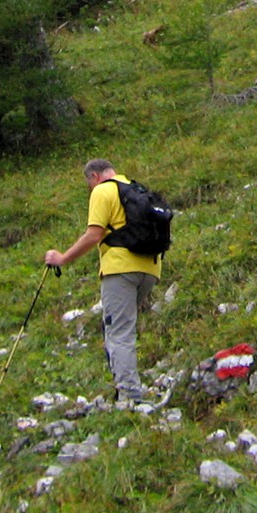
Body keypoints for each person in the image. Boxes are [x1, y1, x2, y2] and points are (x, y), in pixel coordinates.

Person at [43, 159, 162, 404]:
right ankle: (126, 387)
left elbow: (93, 235)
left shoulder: (103, 190)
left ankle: (129, 396)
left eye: (89, 184)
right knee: (124, 327)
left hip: (120, 269)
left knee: (118, 332)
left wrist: (63, 258)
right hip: (150, 267)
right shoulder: (135, 188)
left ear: (95, 177)